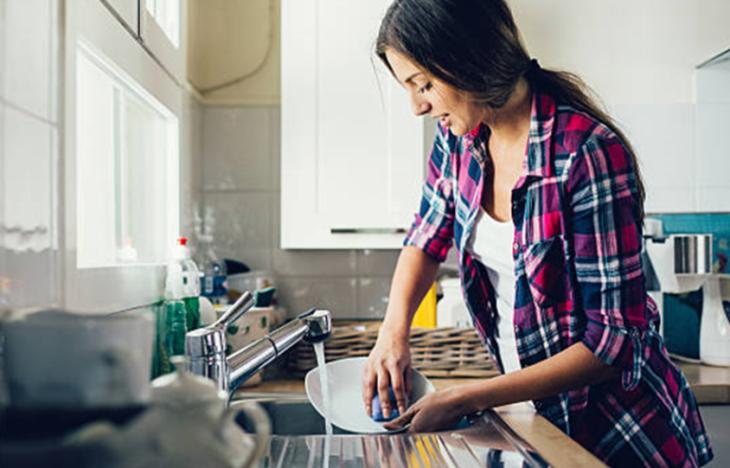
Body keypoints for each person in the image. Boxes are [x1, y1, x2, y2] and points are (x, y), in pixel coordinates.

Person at [361, 0, 713, 465]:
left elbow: (612, 342)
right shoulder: (460, 140)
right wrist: (393, 331)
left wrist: (471, 397)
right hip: (527, 422)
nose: (416, 106)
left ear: (470, 59)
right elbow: (427, 236)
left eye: (424, 84)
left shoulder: (586, 154)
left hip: (622, 438)